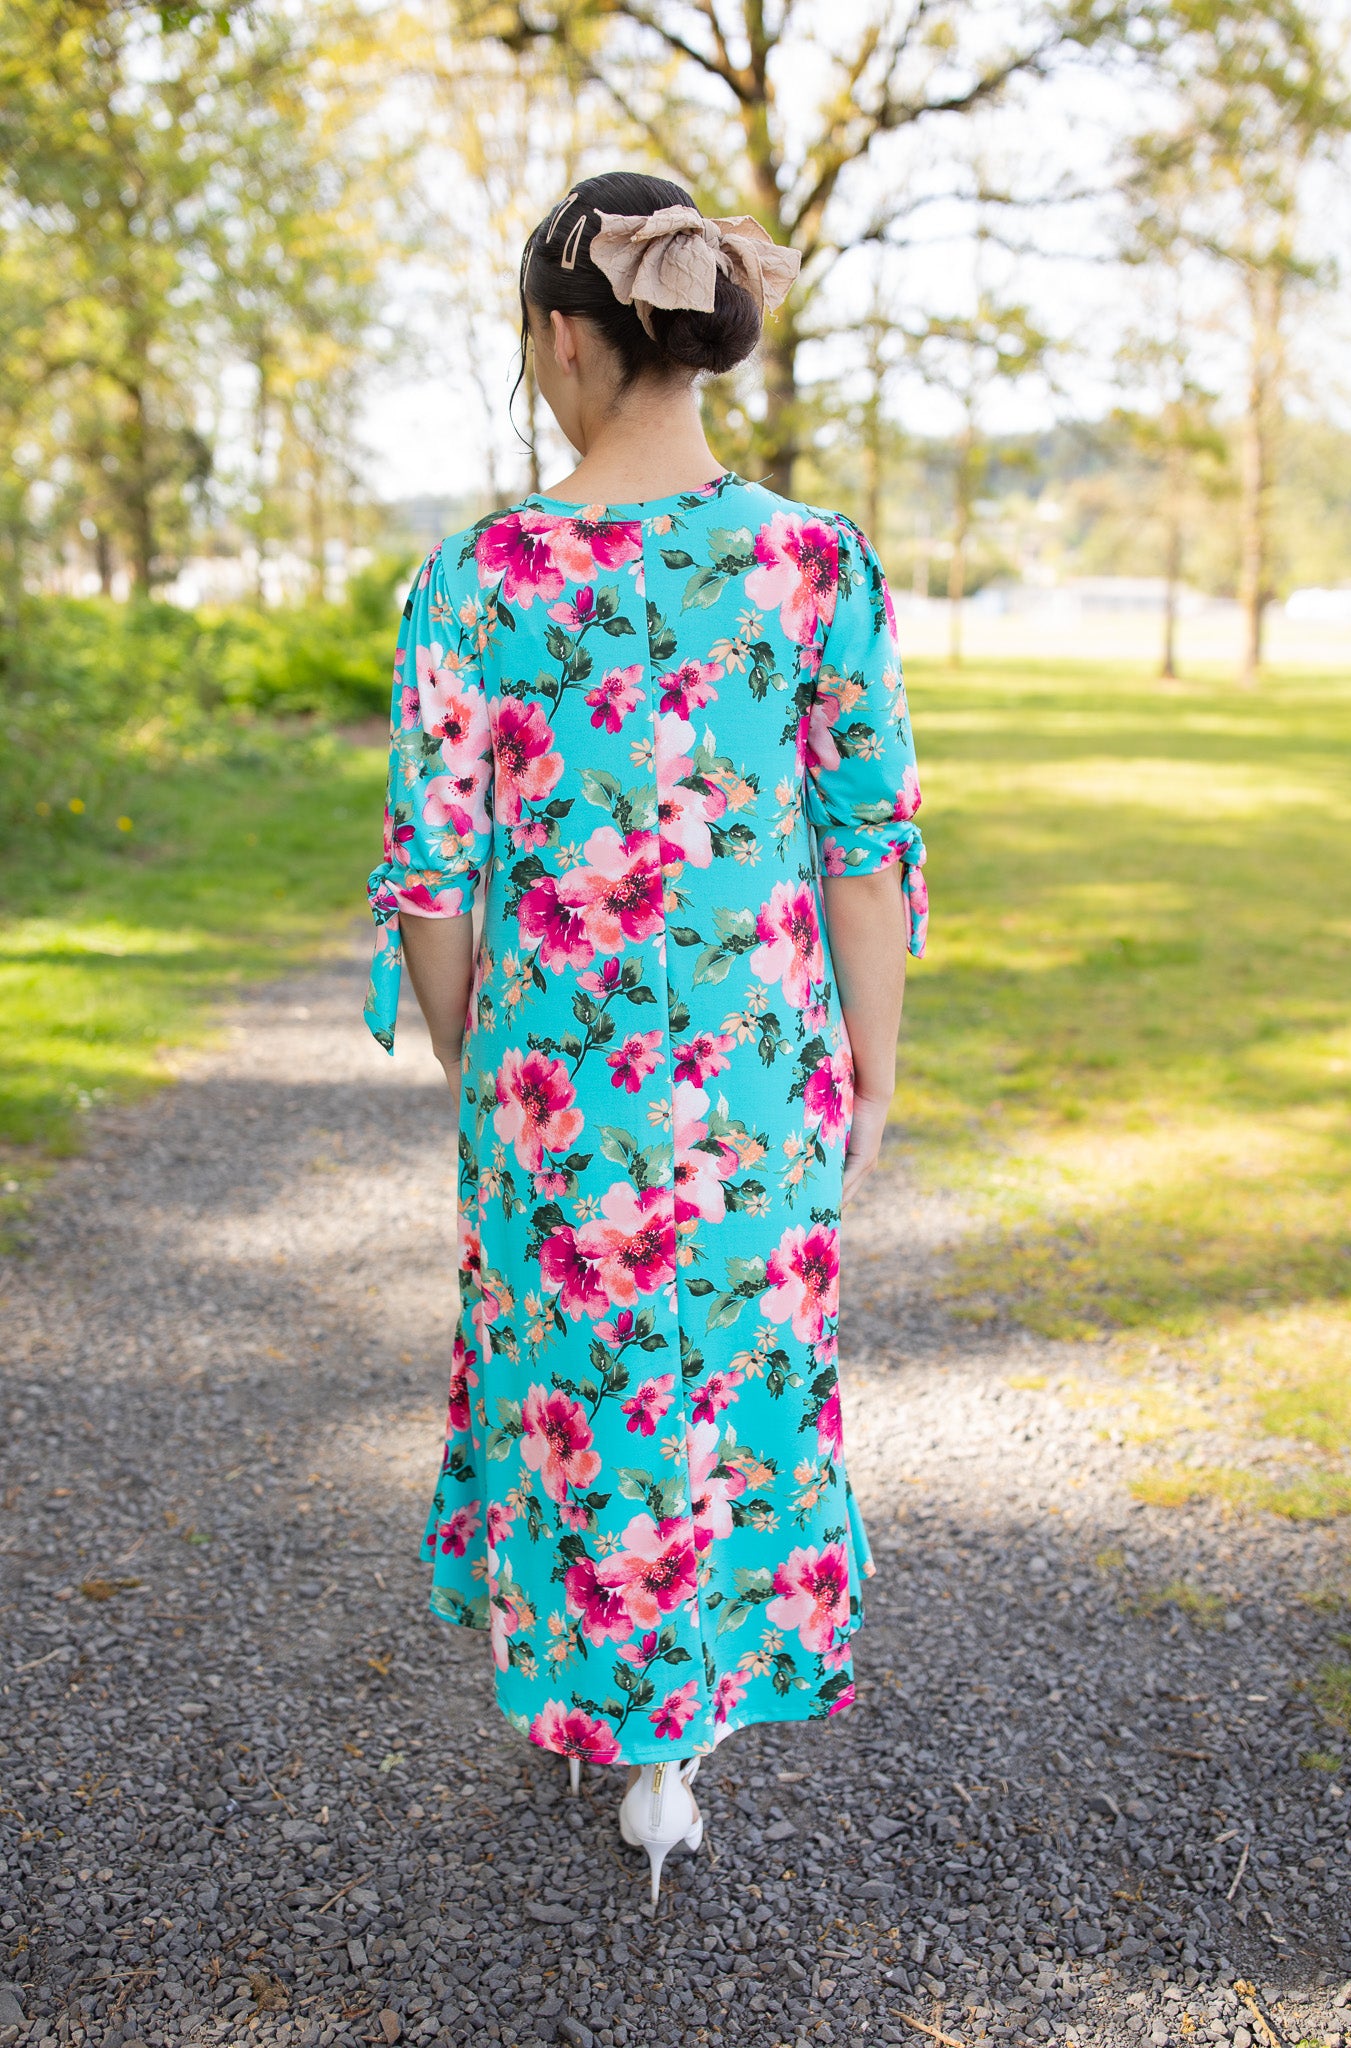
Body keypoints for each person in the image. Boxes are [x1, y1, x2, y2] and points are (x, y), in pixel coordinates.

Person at [364, 170, 927, 1904]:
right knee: (734, 1380)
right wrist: (874, 1070)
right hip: (760, 1080)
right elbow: (865, 844)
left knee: (578, 1390)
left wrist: (471, 1061)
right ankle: (680, 1737)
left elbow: (431, 874)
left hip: (556, 1079)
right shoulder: (813, 565)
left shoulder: (480, 579)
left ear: (562, 341)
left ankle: (607, 1707)